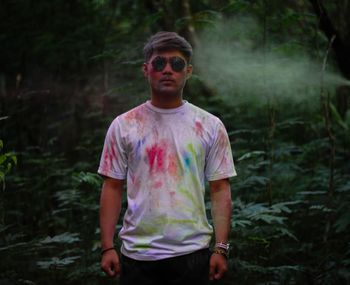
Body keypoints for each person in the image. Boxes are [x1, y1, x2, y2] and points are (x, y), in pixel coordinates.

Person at [98, 31, 236, 285]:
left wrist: (220, 248)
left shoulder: (210, 125)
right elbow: (112, 186)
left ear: (189, 71)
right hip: (137, 256)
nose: (168, 70)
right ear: (146, 69)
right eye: (159, 63)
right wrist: (107, 246)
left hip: (192, 253)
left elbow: (220, 188)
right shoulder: (124, 125)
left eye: (177, 63)